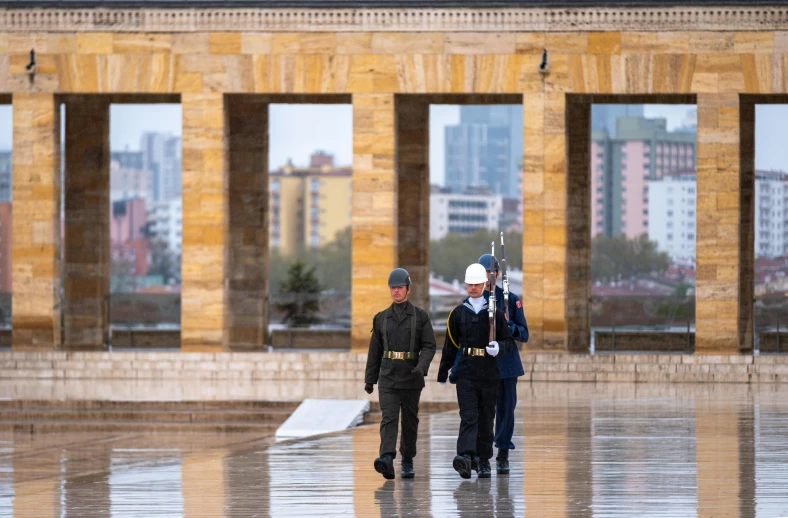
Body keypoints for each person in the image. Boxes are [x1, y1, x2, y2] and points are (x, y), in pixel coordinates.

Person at [437, 263, 516, 479]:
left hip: (489, 373)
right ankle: (465, 457)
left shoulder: (496, 313)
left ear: (484, 285)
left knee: (486, 417)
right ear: (465, 285)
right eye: (469, 284)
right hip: (466, 372)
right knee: (469, 416)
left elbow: (509, 342)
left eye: (476, 284)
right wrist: (443, 372)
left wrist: (498, 347)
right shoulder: (457, 314)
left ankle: (483, 460)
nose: (473, 288)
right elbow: (450, 346)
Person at [364, 268, 437, 480]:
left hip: (411, 375)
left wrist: (422, 367)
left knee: (410, 420)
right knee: (389, 417)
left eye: (400, 287)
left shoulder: (420, 317)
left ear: (408, 289)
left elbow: (429, 346)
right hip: (388, 375)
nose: (396, 291)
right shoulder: (381, 318)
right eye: (393, 288)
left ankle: (407, 460)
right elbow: (374, 351)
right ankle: (386, 458)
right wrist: (370, 379)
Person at [477, 253, 528, 475]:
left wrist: (510, 327)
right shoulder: (475, 300)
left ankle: (503, 453)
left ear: (498, 274)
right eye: (484, 273)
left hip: (507, 363)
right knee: (484, 412)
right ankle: (483, 454)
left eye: (491, 272)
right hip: (483, 364)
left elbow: (524, 333)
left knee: (506, 411)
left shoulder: (511, 299)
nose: (489, 277)